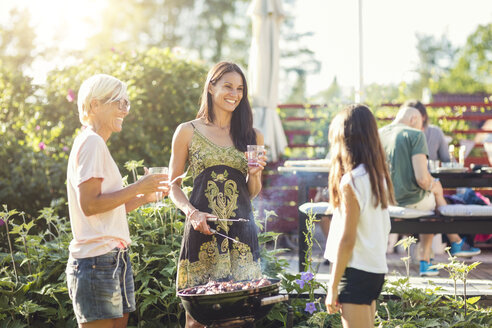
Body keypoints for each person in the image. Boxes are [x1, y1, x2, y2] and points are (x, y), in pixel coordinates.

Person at [66, 74, 169, 327]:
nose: (124, 110)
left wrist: (143, 197)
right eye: (117, 102)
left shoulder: (97, 143)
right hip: (95, 261)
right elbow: (89, 205)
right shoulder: (91, 142)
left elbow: (107, 209)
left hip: (114, 258)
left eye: (126, 103)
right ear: (94, 106)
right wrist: (137, 186)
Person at [169, 62, 266, 328]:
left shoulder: (252, 135)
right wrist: (192, 213)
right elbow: (172, 186)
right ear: (211, 87)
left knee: (238, 317)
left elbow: (252, 193)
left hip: (241, 236)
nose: (234, 94)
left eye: (240, 89)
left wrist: (255, 174)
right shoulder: (187, 131)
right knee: (197, 319)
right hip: (202, 233)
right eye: (227, 86)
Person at [379, 105, 480, 277]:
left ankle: (445, 250)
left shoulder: (378, 134)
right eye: (421, 126)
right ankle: (449, 246)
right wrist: (434, 185)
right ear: (414, 120)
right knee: (434, 199)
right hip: (410, 200)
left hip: (385, 200)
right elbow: (422, 179)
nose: (422, 130)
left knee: (433, 198)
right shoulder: (415, 135)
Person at [324, 104, 395, 328]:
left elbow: (347, 239)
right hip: (374, 270)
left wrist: (333, 286)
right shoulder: (377, 177)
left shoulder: (351, 181)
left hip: (354, 271)